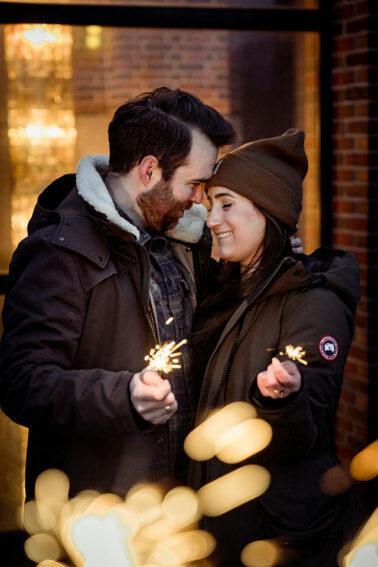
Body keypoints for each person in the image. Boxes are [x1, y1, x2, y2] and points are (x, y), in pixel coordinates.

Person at [0, 86, 236, 500]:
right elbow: (21, 384)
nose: (200, 199)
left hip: (181, 507)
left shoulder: (180, 238)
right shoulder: (58, 252)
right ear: (148, 171)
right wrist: (123, 397)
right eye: (194, 183)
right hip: (101, 517)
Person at [189, 129, 363, 566]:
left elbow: (301, 436)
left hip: (273, 540)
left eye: (227, 204)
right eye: (211, 205)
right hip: (218, 524)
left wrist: (282, 398)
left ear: (268, 210)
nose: (212, 220)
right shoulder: (225, 292)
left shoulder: (315, 302)